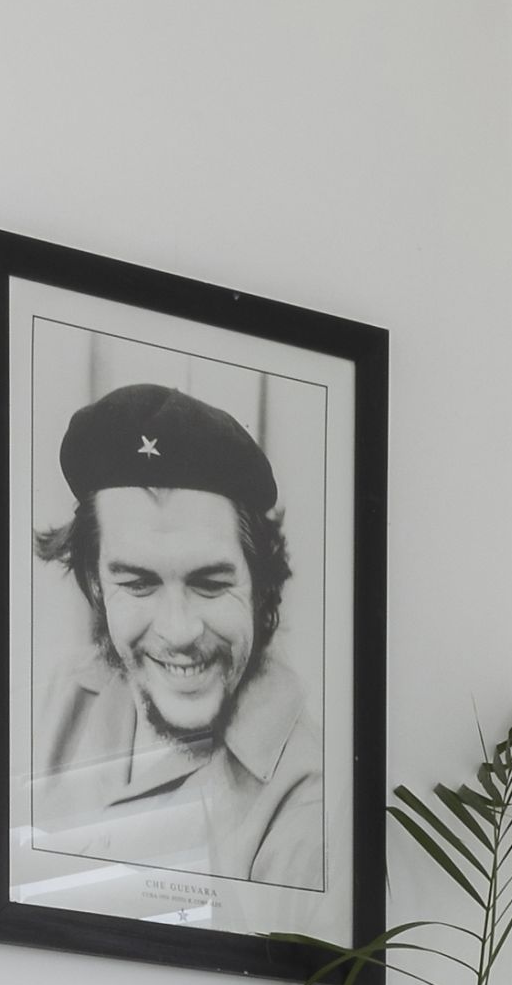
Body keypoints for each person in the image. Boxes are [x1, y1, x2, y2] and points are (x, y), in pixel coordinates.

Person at [28, 380, 323, 887]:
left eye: (210, 584)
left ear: (259, 587)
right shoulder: (53, 697)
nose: (179, 631)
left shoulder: (311, 806)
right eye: (138, 584)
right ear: (96, 586)